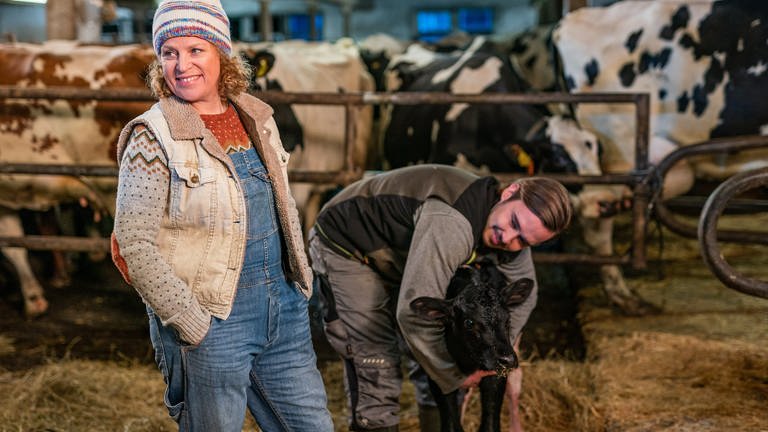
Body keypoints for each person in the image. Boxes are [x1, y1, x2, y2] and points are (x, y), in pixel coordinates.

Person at [110, 1, 333, 430]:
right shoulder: (151, 136)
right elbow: (133, 243)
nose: (182, 65)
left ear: (221, 54)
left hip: (284, 309)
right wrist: (193, 324)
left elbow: (283, 206)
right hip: (213, 314)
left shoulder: (257, 116)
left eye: (196, 50)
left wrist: (300, 287)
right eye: (169, 53)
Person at [308, 164, 573, 432]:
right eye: (513, 223)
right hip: (348, 244)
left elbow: (527, 295)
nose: (508, 239)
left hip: (397, 255)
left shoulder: (510, 230)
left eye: (524, 241)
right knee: (377, 357)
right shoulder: (452, 223)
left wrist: (495, 348)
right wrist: (452, 376)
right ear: (510, 192)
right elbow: (411, 312)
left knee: (432, 356)